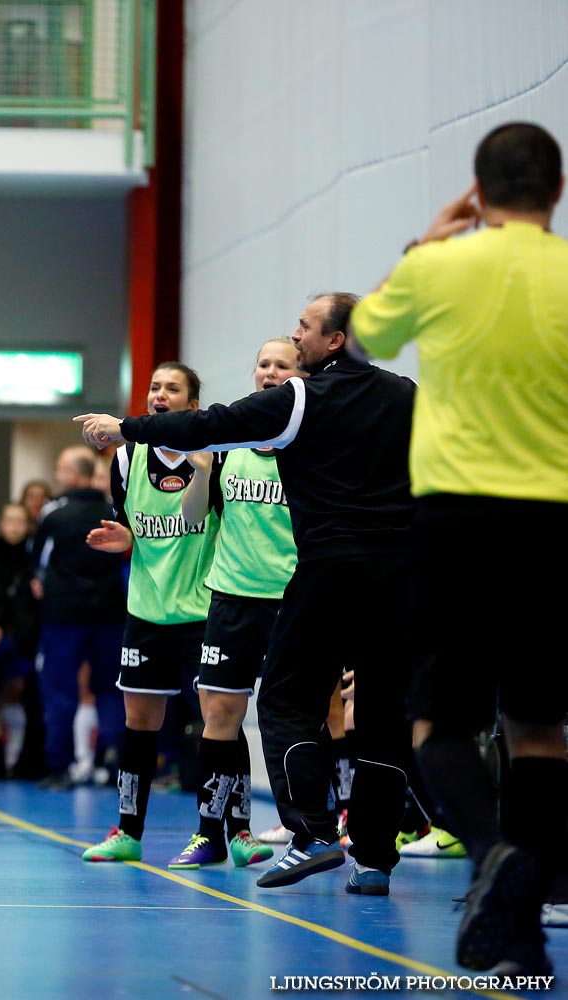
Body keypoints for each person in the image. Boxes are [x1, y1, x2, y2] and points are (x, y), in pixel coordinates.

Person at [77, 292, 416, 896]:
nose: (297, 336)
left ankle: (312, 834)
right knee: (385, 718)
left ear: (335, 340)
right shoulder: (407, 395)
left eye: (306, 329)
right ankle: (374, 860)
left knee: (286, 704)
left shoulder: (303, 398)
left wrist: (126, 426)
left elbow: (209, 425)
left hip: (326, 572)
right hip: (396, 579)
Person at [351, 121, 568, 975]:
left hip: (455, 518)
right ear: (556, 190)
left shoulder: (436, 267)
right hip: (553, 517)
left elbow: (361, 341)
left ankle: (492, 856)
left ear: (477, 193)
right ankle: (531, 917)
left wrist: (426, 245)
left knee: (440, 720)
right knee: (541, 727)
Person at [163, 338, 303, 870]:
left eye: (282, 365)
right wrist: (199, 469)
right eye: (263, 364)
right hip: (231, 600)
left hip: (292, 603)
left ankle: (310, 828)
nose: (269, 372)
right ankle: (214, 834)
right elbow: (196, 516)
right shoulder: (228, 446)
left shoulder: (307, 446)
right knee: (219, 715)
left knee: (300, 719)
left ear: (301, 377)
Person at [76, 364, 218, 863]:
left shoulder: (215, 456)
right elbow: (128, 522)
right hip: (146, 610)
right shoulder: (128, 457)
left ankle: (215, 830)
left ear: (192, 405)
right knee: (139, 722)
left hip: (202, 610)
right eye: (155, 387)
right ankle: (128, 832)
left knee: (214, 721)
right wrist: (124, 539)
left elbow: (201, 519)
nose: (159, 394)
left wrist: (201, 471)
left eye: (172, 388)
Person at [30, 447, 125, 790]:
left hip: (63, 614)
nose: (57, 475)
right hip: (109, 612)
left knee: (59, 688)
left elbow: (38, 560)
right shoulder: (113, 510)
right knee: (110, 688)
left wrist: (41, 583)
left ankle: (59, 766)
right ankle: (112, 756)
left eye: (60, 469)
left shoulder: (55, 513)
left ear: (75, 474)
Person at [0, 502, 37, 777]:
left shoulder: (34, 557)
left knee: (17, 691)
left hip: (24, 635)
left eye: (20, 521)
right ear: (1, 524)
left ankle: (14, 759)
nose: (15, 526)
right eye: (9, 520)